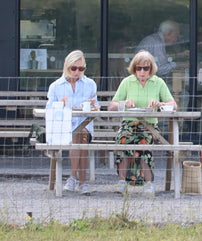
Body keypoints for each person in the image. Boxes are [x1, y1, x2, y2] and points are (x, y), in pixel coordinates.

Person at [108, 50, 173, 190]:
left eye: (146, 68)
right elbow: (111, 106)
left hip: (149, 125)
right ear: (134, 68)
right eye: (139, 68)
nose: (142, 72)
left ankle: (149, 183)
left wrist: (160, 104)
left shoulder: (158, 82)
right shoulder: (127, 82)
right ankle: (121, 182)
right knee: (123, 140)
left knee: (143, 142)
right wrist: (124, 103)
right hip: (129, 123)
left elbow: (173, 104)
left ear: (151, 68)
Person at [46, 49, 98, 194]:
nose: (77, 72)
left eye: (81, 69)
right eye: (73, 68)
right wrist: (60, 104)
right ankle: (81, 182)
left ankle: (73, 177)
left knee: (81, 134)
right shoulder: (56, 86)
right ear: (67, 67)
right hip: (62, 126)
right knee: (78, 135)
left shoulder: (90, 84)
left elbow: (95, 107)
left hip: (84, 124)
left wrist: (92, 105)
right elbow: (49, 109)